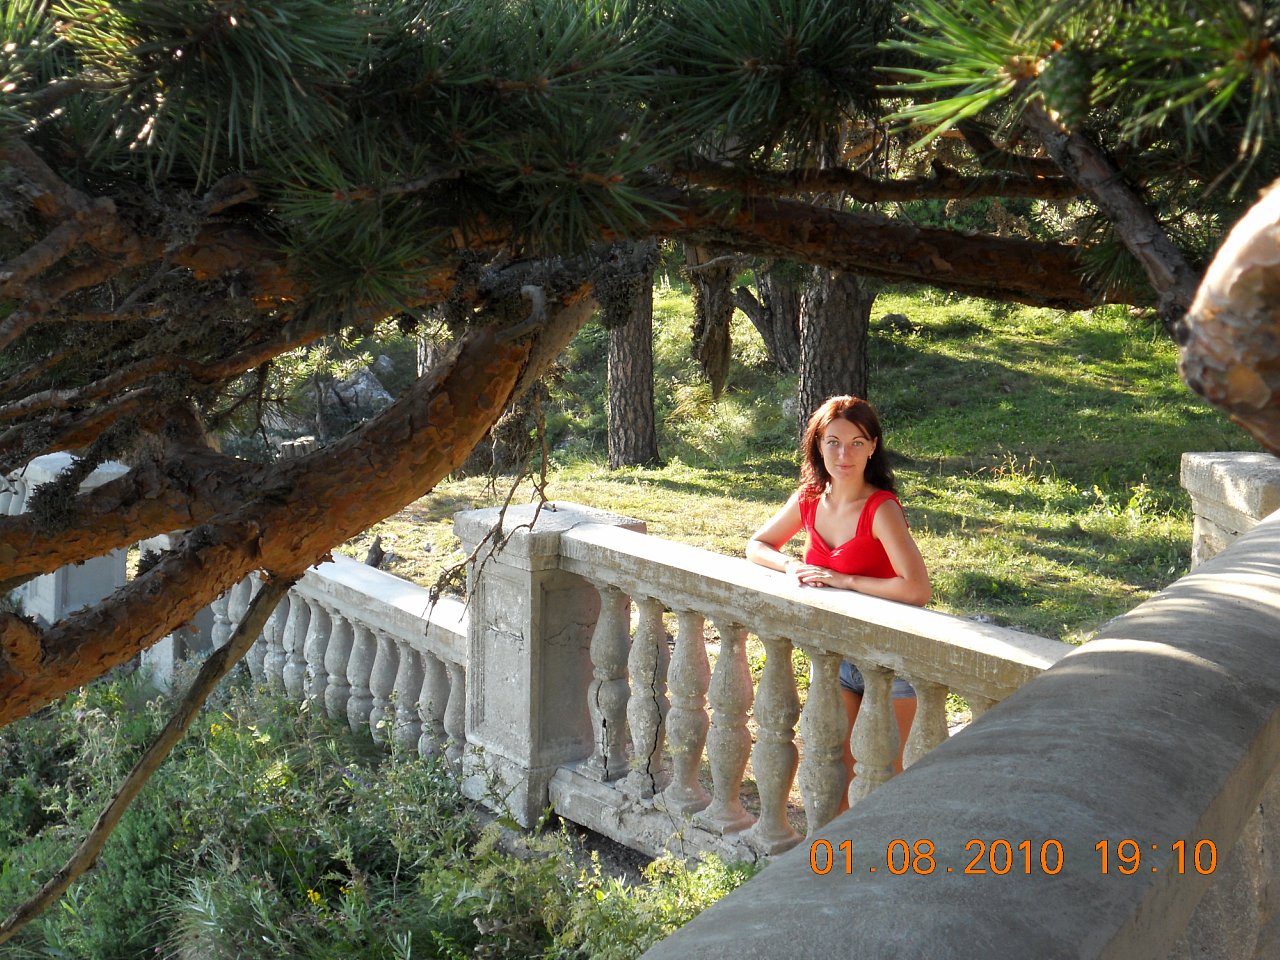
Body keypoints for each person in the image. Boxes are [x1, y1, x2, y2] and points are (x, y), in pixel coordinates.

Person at [746, 395, 931, 797]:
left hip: (890, 660)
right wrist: (791, 566)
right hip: (837, 658)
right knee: (837, 781)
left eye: (856, 443)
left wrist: (845, 581)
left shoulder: (881, 509)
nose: (843, 454)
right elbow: (757, 545)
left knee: (883, 786)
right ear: (818, 445)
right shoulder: (810, 498)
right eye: (833, 442)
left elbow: (916, 588)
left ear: (872, 447)